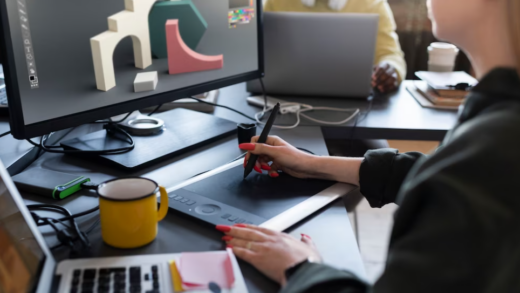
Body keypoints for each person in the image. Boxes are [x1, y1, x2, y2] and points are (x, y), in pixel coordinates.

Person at [216, 0, 520, 291]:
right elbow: (426, 172)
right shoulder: (495, 130)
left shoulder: (494, 149)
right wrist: (309, 164)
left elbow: (458, 178)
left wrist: (301, 267)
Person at [264, 0, 407, 93]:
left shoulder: (373, 4)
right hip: (283, 102)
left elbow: (391, 54)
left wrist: (391, 67)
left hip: (355, 111)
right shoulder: (275, 2)